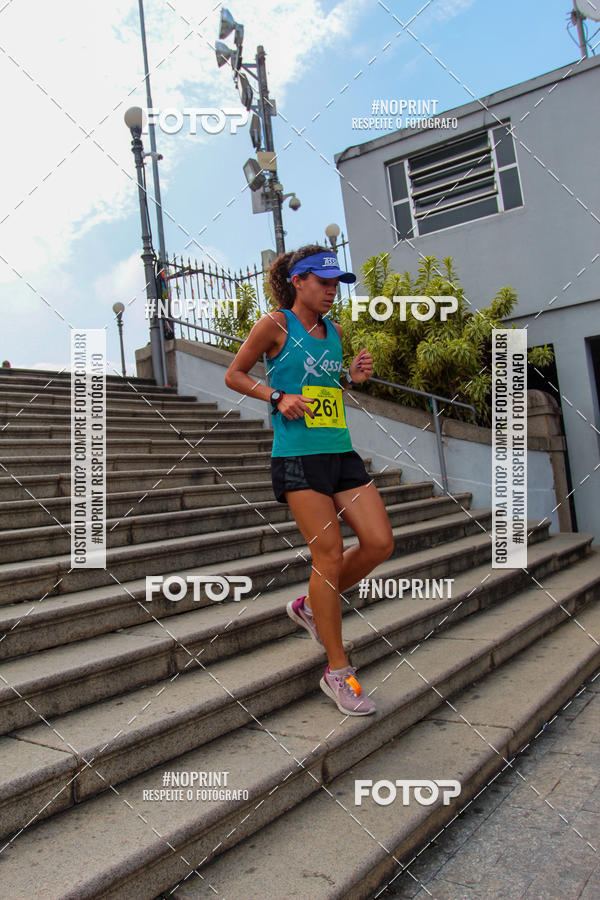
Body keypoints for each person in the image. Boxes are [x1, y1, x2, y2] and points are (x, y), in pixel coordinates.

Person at [225, 245, 394, 715]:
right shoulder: (275, 325)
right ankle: (337, 672)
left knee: (379, 542)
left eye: (336, 283)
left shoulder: (334, 331)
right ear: (298, 281)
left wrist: (351, 378)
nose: (331, 291)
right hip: (298, 458)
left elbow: (324, 385)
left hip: (339, 451)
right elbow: (234, 375)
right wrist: (276, 395)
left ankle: (310, 606)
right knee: (330, 553)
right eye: (323, 282)